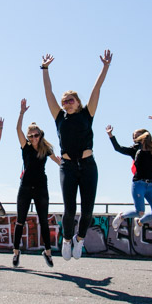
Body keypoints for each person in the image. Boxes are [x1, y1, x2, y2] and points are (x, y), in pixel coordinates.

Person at [41, 50, 112, 260]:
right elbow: (48, 93)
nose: (66, 103)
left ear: (78, 102)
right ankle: (67, 239)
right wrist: (44, 69)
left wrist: (105, 67)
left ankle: (80, 240)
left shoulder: (87, 114)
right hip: (68, 167)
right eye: (64, 101)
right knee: (69, 209)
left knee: (88, 211)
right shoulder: (59, 118)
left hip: (88, 166)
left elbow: (96, 88)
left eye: (70, 100)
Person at [12, 99, 62, 268]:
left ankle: (47, 252)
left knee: (43, 220)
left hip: (41, 187)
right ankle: (16, 252)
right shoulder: (25, 147)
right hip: (25, 187)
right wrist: (21, 113)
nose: (33, 138)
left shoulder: (46, 149)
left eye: (36, 135)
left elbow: (58, 162)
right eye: (31, 135)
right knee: (20, 220)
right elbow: (17, 129)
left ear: (41, 135)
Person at [106, 116, 152, 238]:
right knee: (139, 211)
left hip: (150, 185)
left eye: (137, 135)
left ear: (145, 135)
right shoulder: (135, 149)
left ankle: (140, 222)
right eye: (133, 137)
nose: (135, 138)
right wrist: (111, 135)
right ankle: (122, 215)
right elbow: (118, 148)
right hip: (138, 184)